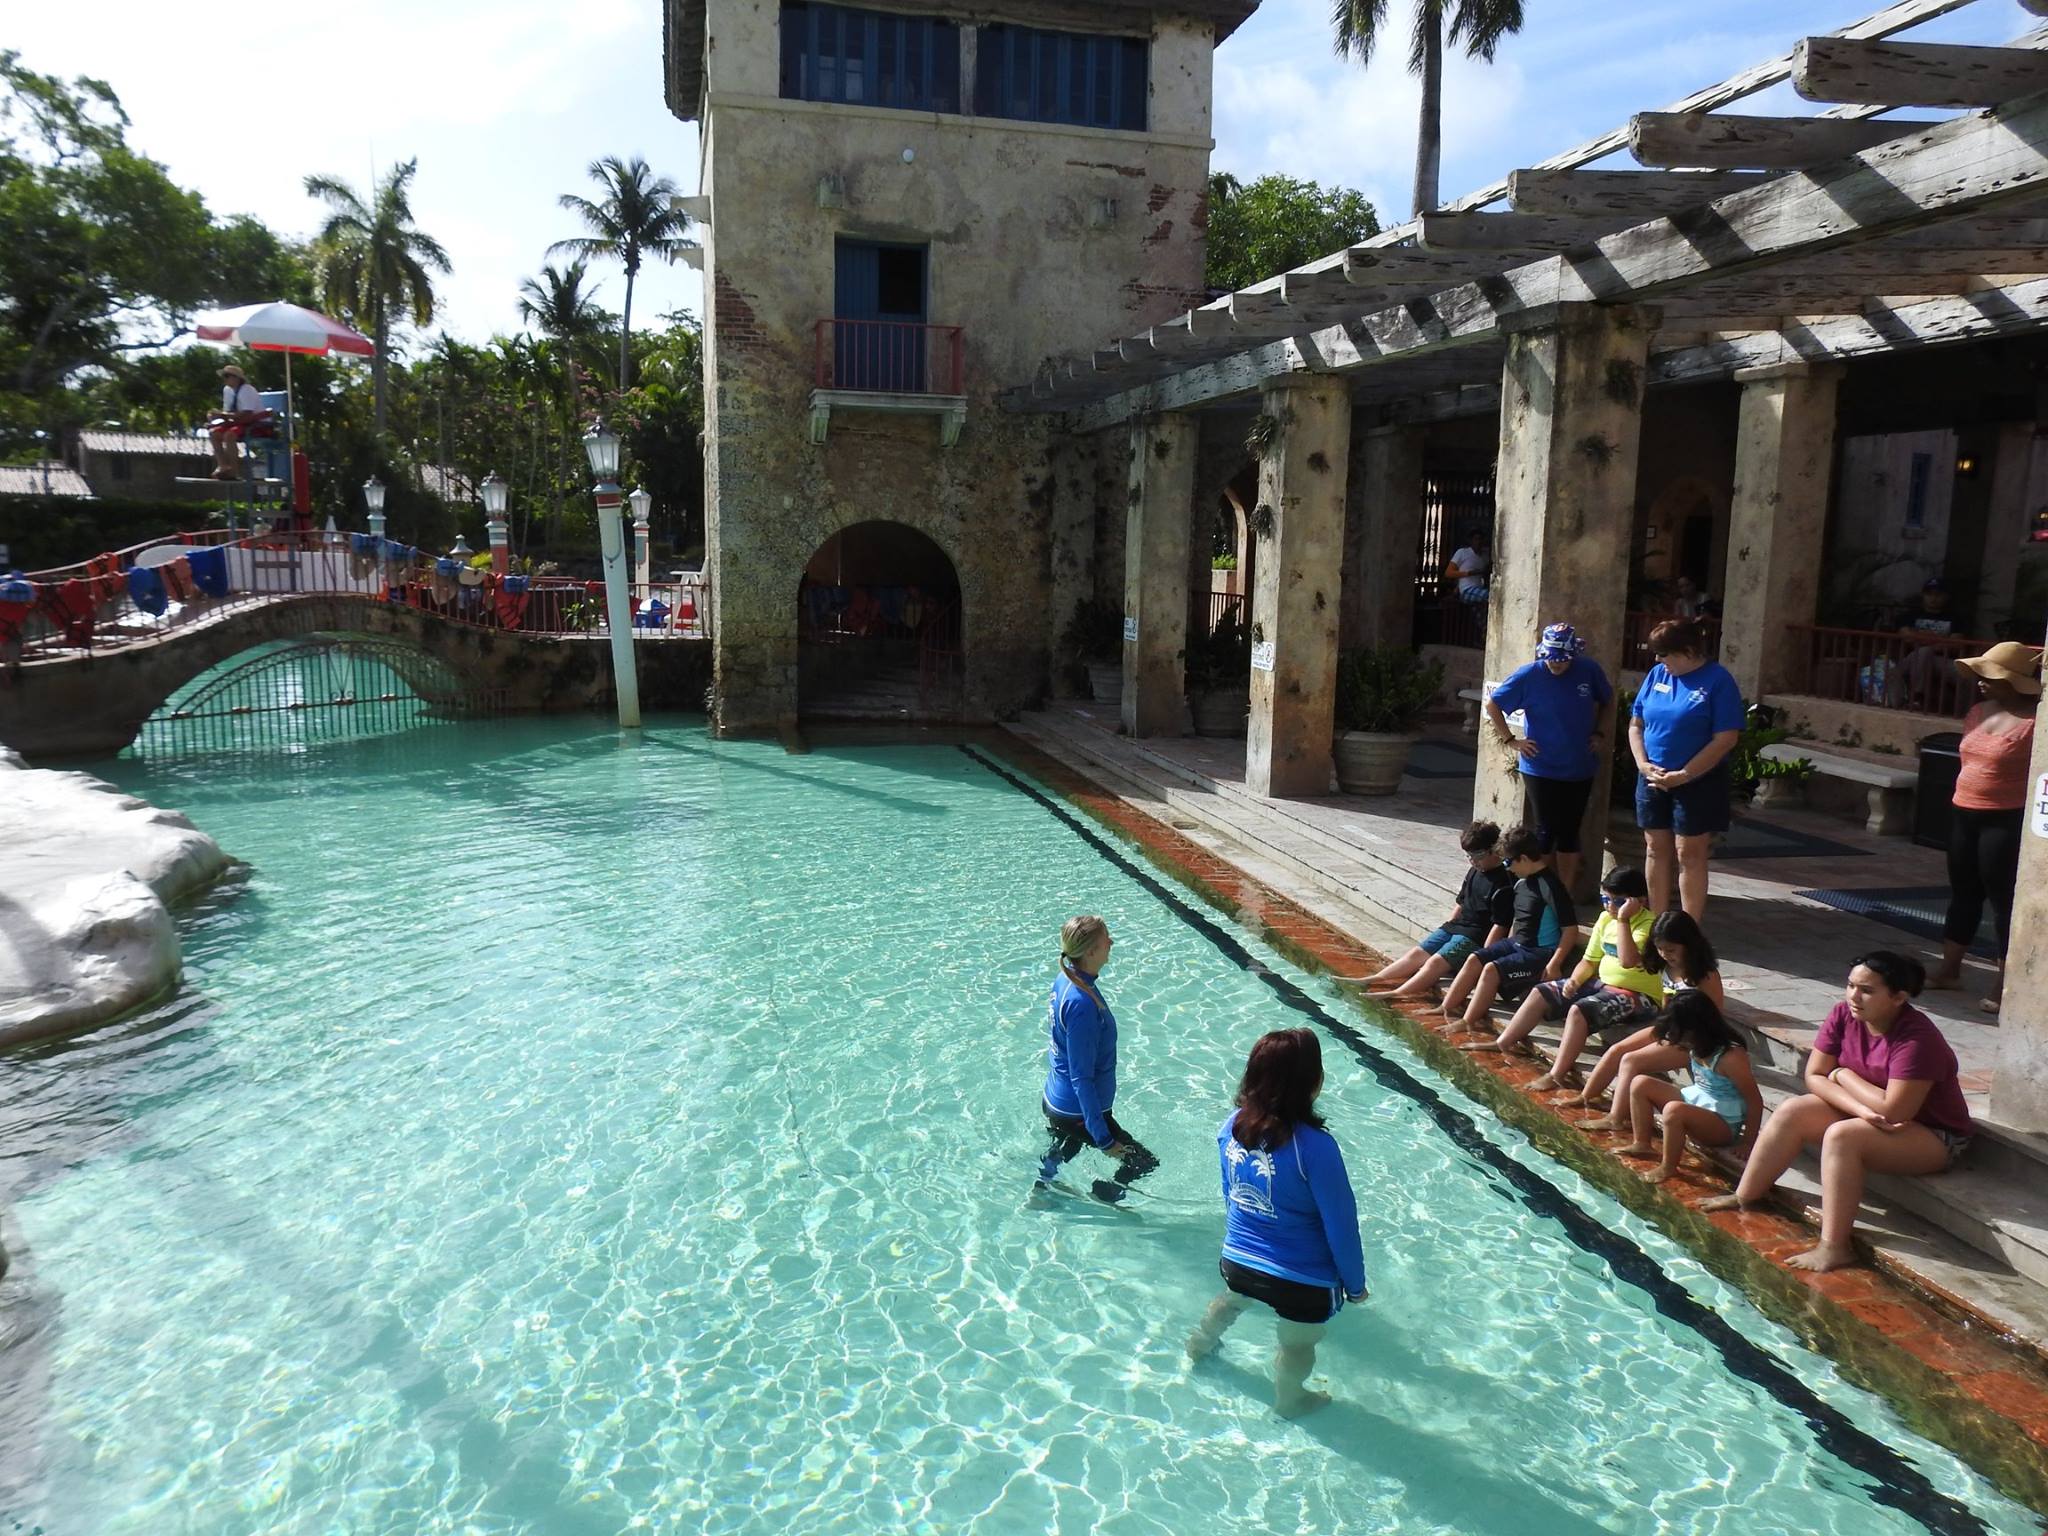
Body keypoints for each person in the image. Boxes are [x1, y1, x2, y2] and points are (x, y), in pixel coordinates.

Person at [1701, 952, 1974, 1272]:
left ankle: (1835, 1246)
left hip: (1933, 1135)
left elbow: (1896, 1109)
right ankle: (1746, 1194)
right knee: (1792, 1110)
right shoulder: (1844, 1014)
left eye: (1867, 990)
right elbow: (1814, 1075)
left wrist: (1843, 1075)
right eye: (1850, 985)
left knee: (1842, 1136)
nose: (1854, 996)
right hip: (1872, 1115)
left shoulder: (1917, 1039)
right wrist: (1858, 1106)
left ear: (1899, 997)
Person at [1185, 1028, 1367, 1418]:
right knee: (1297, 1344)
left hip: (1237, 1261)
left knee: (1231, 1299)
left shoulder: (1231, 1127)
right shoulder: (1317, 1147)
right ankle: (1290, 1400)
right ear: (1312, 1083)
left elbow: (1229, 1194)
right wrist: (1355, 1285)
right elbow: (1341, 1226)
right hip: (1303, 1282)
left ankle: (1199, 1345)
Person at [1462, 867, 1663, 1089]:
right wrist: (1574, 981)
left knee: (1580, 1010)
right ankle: (1504, 1042)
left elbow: (1627, 960)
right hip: (1603, 985)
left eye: (1618, 901)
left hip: (1640, 996)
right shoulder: (1606, 919)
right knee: (1542, 991)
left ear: (1639, 901)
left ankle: (1557, 1073)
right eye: (1605, 899)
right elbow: (1589, 961)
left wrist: (1623, 920)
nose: (1610, 906)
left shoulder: (1649, 925)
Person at [1928, 640, 2042, 1015]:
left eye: (1990, 676)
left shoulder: (2035, 723)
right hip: (1964, 812)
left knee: (2003, 902)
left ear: (2016, 682)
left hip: (2005, 819)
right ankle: (1949, 970)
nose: (1980, 681)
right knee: (1963, 891)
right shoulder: (1978, 711)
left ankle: (2003, 982)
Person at [1037, 915, 1159, 1204]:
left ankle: (1043, 1186)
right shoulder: (1081, 1005)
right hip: (1075, 1111)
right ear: (1091, 951)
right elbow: (1082, 1077)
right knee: (1142, 1162)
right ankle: (1103, 1198)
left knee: (1068, 1143)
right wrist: (1104, 1140)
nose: (1111, 943)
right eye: (1106, 939)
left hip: (1057, 1100)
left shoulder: (1066, 977)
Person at [1485, 622, 1614, 891]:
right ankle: (1540, 891)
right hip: (1540, 766)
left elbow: (1608, 700)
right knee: (1545, 830)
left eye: (1562, 661)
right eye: (1552, 661)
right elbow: (1493, 704)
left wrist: (1600, 732)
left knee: (1570, 831)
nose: (1557, 665)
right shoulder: (1529, 674)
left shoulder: (1588, 670)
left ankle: (1564, 891)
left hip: (1579, 764)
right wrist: (1512, 740)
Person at [1630, 618, 1745, 920]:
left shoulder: (1718, 681)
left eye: (1664, 653)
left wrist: (1685, 775)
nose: (1658, 660)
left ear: (1688, 650)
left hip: (1699, 780)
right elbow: (1636, 724)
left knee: (1689, 853)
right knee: (1655, 848)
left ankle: (1688, 926)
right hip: (1653, 777)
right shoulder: (1657, 675)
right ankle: (1656, 920)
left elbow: (1726, 738)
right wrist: (1643, 764)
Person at [1574, 910, 1727, 1122]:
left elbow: (1715, 1017)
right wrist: (1661, 1033)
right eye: (1660, 949)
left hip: (1694, 1042)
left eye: (1671, 950)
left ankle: (1616, 1119)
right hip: (1670, 1030)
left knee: (1631, 1061)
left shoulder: (1705, 975)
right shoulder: (1666, 968)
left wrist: (1680, 1040)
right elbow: (1666, 1005)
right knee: (1616, 1051)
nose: (1665, 954)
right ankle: (1585, 1097)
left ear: (1689, 944)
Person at [1441, 826, 1580, 1031]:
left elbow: (1570, 929)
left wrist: (1555, 964)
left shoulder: (1550, 886)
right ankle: (1446, 1008)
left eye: (1507, 861)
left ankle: (1468, 1021)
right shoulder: (1521, 881)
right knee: (1475, 958)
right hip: (1518, 943)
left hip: (1539, 951)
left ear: (1523, 858)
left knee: (1491, 969)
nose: (1506, 867)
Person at [1617, 991, 1763, 1185]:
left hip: (1722, 1124)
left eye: (1680, 1035)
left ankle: (1668, 1168)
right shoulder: (1695, 1045)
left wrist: (1747, 1141)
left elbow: (1754, 1100)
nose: (1678, 1041)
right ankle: (1642, 1143)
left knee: (1674, 1110)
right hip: (1696, 1101)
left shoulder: (1731, 1056)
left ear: (1698, 1028)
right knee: (1640, 1083)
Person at [1362, 821, 1514, 999]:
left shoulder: (1504, 883)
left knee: (1435, 961)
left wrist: (1486, 955)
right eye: (1469, 855)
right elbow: (1461, 902)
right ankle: (1376, 978)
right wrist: (1448, 925)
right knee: (1417, 953)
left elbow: (1500, 925)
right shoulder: (1474, 871)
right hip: (1458, 926)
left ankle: (1397, 993)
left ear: (1495, 850)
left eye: (1478, 855)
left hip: (1476, 934)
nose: (1473, 860)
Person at [207, 363, 266, 481]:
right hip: (237, 422)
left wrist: (223, 415)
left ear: (237, 378)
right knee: (214, 433)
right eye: (224, 376)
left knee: (230, 435)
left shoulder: (247, 390)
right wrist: (216, 418)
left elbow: (247, 414)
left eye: (227, 376)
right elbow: (228, 411)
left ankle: (234, 471)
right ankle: (223, 466)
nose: (225, 379)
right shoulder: (227, 390)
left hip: (255, 423)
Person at [1447, 528, 1491, 602]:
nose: (1479, 542)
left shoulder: (1485, 557)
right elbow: (1448, 573)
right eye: (1476, 539)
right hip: (1466, 590)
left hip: (1479, 588)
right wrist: (1469, 573)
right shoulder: (1462, 553)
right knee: (1489, 595)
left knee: (1493, 595)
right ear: (1471, 541)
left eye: (1481, 539)